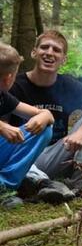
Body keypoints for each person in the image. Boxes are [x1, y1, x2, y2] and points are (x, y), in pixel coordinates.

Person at [10, 30, 82, 200]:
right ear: (34, 52)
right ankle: (43, 185)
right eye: (45, 47)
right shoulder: (15, 85)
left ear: (63, 59)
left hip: (55, 155)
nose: (50, 53)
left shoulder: (66, 84)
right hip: (22, 157)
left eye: (56, 50)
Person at [0, 42, 54, 208]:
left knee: (44, 129)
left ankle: (3, 187)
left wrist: (44, 115)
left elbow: (44, 115)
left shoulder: (3, 96)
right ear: (9, 78)